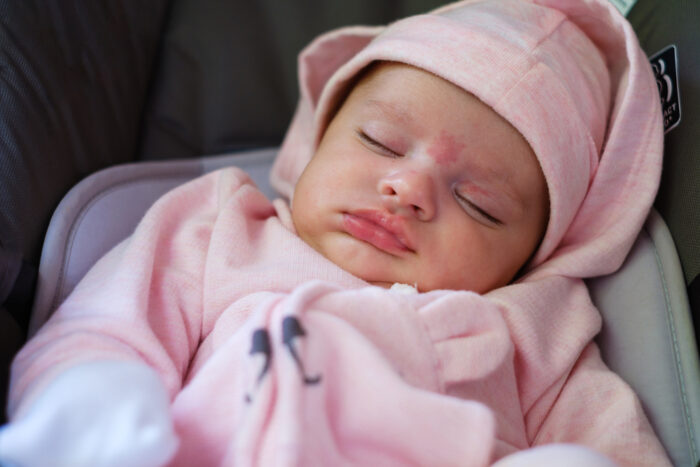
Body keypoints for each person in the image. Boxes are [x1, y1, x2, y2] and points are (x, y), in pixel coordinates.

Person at [0, 0, 672, 466]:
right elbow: (105, 327)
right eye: (380, 140)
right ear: (316, 141)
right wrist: (94, 394)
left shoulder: (539, 334)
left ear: (534, 257)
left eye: (481, 204)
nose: (408, 188)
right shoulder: (221, 227)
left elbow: (615, 440)